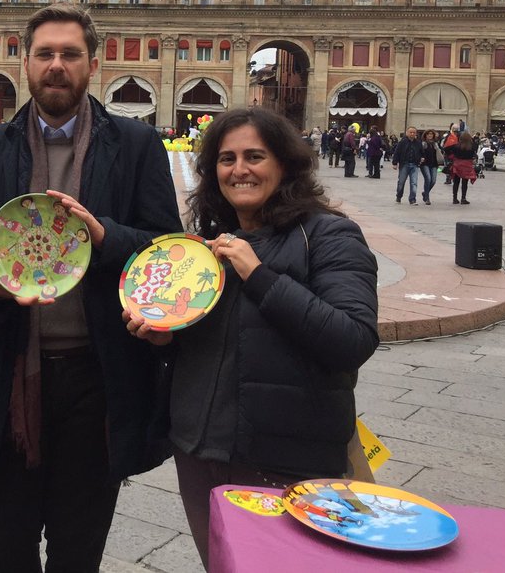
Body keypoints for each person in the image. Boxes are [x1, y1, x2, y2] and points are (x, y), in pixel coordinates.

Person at [0, 3, 180, 572]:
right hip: (12, 369)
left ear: (93, 64)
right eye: (46, 54)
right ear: (26, 62)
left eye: (70, 54)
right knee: (6, 544)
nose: (57, 65)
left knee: (78, 549)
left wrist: (106, 237)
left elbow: (166, 248)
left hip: (97, 374)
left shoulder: (136, 144)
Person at [126, 106, 378, 568]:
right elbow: (219, 341)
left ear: (285, 164)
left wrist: (259, 275)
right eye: (227, 159)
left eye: (254, 156)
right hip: (198, 451)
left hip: (286, 459)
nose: (239, 169)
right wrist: (166, 337)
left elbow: (353, 339)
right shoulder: (208, 245)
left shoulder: (329, 235)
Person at [392, 126, 421, 204]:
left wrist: (421, 158)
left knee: (414, 182)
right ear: (407, 133)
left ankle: (412, 199)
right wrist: (395, 163)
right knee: (401, 182)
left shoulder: (418, 143)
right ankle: (399, 196)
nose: (412, 134)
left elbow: (421, 152)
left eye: (414, 132)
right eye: (410, 132)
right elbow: (397, 152)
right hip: (404, 164)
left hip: (414, 165)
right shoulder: (402, 142)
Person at [450, 126, 477, 204]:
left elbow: (452, 154)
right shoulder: (471, 147)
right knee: (465, 183)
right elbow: (473, 156)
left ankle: (455, 198)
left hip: (457, 165)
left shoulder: (456, 146)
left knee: (456, 182)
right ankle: (463, 198)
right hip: (467, 166)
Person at [419, 129, 440, 205]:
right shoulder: (423, 144)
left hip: (434, 164)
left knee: (433, 181)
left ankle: (425, 192)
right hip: (425, 164)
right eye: (428, 134)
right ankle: (427, 198)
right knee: (428, 179)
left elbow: (439, 153)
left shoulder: (435, 144)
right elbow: (419, 152)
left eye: (431, 134)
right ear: (425, 135)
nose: (430, 135)